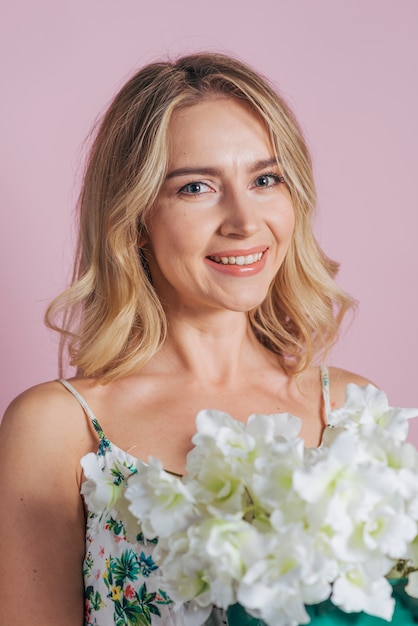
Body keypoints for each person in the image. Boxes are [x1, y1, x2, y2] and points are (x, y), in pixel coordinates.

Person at [0, 52, 370, 626]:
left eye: (265, 179)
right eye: (196, 187)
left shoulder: (351, 413)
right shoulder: (58, 427)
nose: (245, 221)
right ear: (134, 219)